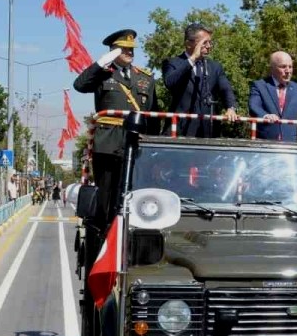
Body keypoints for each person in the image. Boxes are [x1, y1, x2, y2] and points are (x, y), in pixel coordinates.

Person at [73, 28, 158, 265]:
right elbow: (80, 84)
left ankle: (131, 250)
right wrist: (102, 63)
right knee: (107, 202)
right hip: (108, 145)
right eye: (123, 49)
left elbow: (153, 116)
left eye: (131, 49)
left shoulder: (145, 78)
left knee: (135, 199)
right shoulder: (103, 74)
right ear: (113, 51)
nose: (129, 52)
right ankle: (103, 251)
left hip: (137, 146)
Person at [162, 23, 239, 137]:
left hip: (208, 129)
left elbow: (226, 89)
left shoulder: (215, 67)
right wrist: (192, 59)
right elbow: (170, 83)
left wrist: (230, 107)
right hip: (181, 129)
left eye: (210, 42)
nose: (208, 46)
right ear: (189, 44)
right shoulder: (173, 63)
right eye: (204, 42)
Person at [249, 51, 297, 141]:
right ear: (272, 69)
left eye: (290, 67)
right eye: (283, 67)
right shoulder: (259, 86)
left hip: (290, 146)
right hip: (265, 144)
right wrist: (266, 115)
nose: (288, 71)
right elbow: (254, 106)